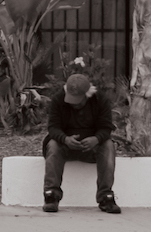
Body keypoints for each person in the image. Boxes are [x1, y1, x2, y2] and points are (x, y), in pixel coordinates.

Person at [43, 68, 119, 213]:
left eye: (78, 101)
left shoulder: (100, 100)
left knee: (109, 145)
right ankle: (51, 195)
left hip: (92, 146)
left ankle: (105, 196)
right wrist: (65, 139)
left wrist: (96, 139)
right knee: (53, 145)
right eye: (71, 99)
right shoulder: (58, 99)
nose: (74, 104)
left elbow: (106, 127)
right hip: (65, 145)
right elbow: (53, 127)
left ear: (88, 94)